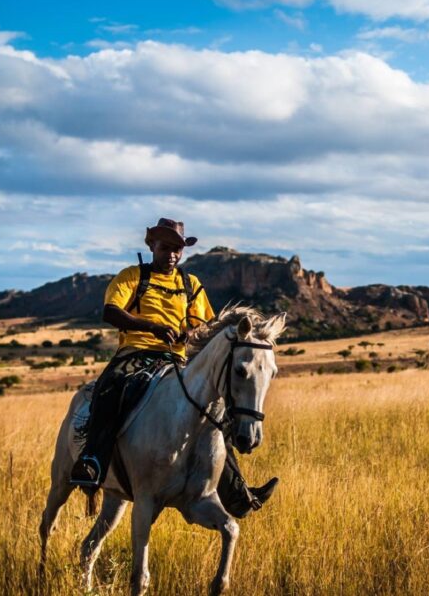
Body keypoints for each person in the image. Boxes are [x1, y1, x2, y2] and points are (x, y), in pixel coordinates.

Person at [70, 218, 278, 518]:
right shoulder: (133, 277)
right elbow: (111, 311)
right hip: (134, 354)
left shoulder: (189, 284)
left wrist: (191, 334)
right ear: (152, 245)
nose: (171, 254)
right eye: (166, 247)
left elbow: (205, 325)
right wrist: (151, 326)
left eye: (177, 249)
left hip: (176, 360)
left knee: (211, 413)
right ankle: (92, 460)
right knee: (109, 389)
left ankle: (238, 494)